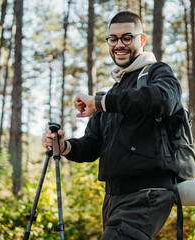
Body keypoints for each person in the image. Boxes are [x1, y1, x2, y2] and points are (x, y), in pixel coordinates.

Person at [42, 10, 183, 239]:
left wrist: (101, 102)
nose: (119, 44)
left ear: (142, 40)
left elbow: (163, 100)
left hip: (147, 193)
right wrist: (64, 146)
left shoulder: (159, 72)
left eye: (127, 37)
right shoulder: (113, 93)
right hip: (114, 198)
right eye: (113, 39)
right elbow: (92, 145)